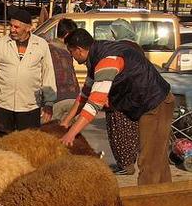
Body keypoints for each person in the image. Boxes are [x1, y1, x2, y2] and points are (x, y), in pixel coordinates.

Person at [60, 28, 174, 185]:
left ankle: (146, 205)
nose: (71, 57)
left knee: (149, 161)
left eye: (71, 52)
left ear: (79, 50)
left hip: (154, 104)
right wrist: (66, 121)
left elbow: (94, 104)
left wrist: (71, 133)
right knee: (157, 159)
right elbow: (85, 95)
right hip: (148, 102)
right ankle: (166, 202)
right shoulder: (96, 55)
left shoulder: (106, 60)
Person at [0, 8, 57, 131]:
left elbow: (48, 73)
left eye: (16, 27)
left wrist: (49, 103)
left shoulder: (41, 45)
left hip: (29, 106)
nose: (12, 29)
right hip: (2, 104)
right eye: (11, 26)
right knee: (0, 144)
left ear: (28, 28)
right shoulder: (1, 43)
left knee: (26, 145)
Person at [105, 19, 142, 175]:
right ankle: (129, 162)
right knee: (132, 131)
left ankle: (125, 165)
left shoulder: (118, 48)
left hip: (120, 97)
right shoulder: (138, 48)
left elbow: (114, 73)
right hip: (136, 97)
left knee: (119, 131)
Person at [48, 18, 80, 121]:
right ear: (67, 34)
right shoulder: (67, 51)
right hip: (66, 99)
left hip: (56, 99)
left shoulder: (48, 48)